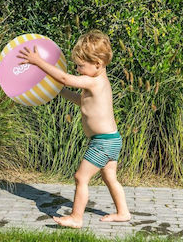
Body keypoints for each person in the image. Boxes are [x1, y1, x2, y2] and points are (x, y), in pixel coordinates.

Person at [17, 30, 131, 229]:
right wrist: (60, 92)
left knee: (81, 177)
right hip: (112, 138)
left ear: (98, 64)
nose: (78, 69)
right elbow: (81, 101)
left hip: (103, 141)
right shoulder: (97, 82)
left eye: (80, 65)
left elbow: (64, 77)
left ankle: (76, 217)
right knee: (109, 177)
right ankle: (123, 212)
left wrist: (37, 61)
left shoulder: (94, 81)